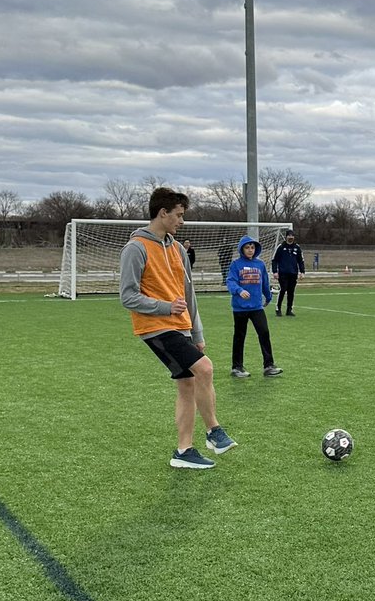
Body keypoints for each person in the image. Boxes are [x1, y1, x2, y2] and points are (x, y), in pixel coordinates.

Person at [119, 187, 236, 471]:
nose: (182, 221)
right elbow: (127, 296)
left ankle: (183, 451)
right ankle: (214, 431)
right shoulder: (135, 248)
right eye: (179, 215)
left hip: (180, 327)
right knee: (205, 369)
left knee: (188, 384)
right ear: (163, 213)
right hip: (155, 327)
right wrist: (164, 307)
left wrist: (197, 334)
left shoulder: (178, 249)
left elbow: (188, 293)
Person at [227, 236, 283, 378]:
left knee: (264, 333)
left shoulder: (260, 265)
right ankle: (237, 367)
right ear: (242, 249)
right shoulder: (236, 264)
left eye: (252, 247)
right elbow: (231, 282)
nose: (250, 250)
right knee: (239, 336)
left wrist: (268, 296)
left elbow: (264, 282)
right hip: (240, 308)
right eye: (247, 247)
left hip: (257, 307)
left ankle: (269, 366)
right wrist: (239, 290)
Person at [271, 231, 304, 316]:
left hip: (293, 273)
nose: (291, 237)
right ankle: (278, 308)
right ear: (286, 237)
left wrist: (302, 272)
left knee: (291, 292)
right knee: (283, 289)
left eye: (292, 236)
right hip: (283, 273)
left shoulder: (297, 247)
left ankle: (289, 310)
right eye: (289, 235)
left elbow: (301, 261)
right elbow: (274, 260)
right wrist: (275, 271)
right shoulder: (281, 247)